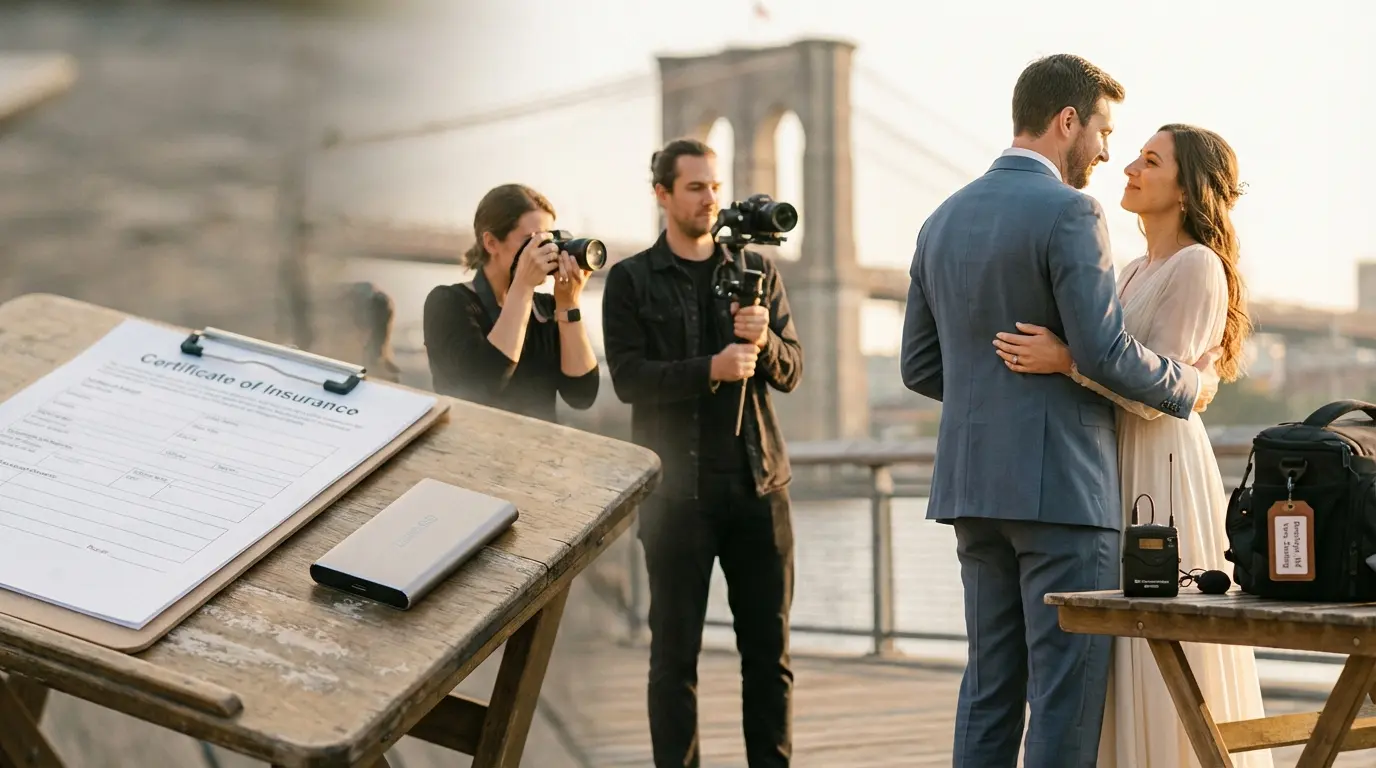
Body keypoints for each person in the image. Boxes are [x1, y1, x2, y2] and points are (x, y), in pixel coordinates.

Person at [898, 53, 1221, 768]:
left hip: (971, 490)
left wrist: (992, 392)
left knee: (988, 692)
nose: (1107, 152)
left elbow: (920, 367)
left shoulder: (939, 219)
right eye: (1103, 131)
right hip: (1063, 496)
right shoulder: (1072, 210)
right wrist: (1190, 384)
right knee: (1064, 704)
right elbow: (1103, 353)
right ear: (1066, 121)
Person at [991, 124, 1272, 768]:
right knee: (1119, 644)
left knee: (1158, 628)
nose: (1128, 169)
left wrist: (1066, 362)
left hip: (1160, 465)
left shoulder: (1197, 265)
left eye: (1150, 161)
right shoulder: (1132, 269)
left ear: (1186, 188)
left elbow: (1159, 392)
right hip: (1113, 460)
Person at [601, 137, 803, 768]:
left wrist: (765, 341)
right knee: (674, 660)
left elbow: (793, 371)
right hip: (674, 497)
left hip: (759, 488)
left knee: (769, 661)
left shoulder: (758, 271)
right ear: (662, 194)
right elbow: (630, 379)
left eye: (714, 186)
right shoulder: (631, 280)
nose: (709, 198)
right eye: (694, 187)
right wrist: (710, 368)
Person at [422, 183, 599, 422]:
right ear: (491, 243)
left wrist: (568, 304)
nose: (546, 250)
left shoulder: (546, 308)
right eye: (533, 240)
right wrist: (523, 287)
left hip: (541, 454)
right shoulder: (448, 303)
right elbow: (482, 386)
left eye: (551, 239)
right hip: (473, 452)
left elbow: (581, 395)